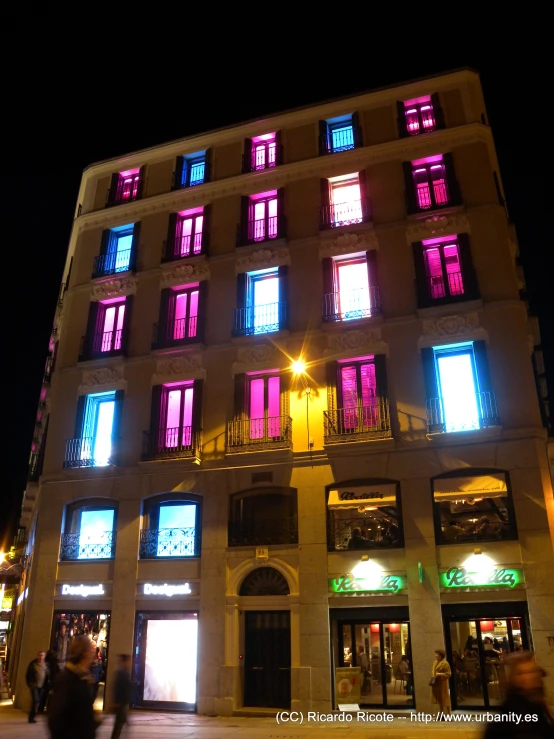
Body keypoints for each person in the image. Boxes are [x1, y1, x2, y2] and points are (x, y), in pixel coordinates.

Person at [484, 651, 553, 738]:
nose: (533, 676)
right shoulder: (517, 710)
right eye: (524, 673)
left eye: (533, 671)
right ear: (514, 678)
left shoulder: (535, 702)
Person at [47, 635, 99, 739]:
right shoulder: (68, 680)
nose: (92, 654)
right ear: (84, 653)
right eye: (91, 650)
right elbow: (56, 719)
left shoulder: (83, 677)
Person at [111, 654, 133, 739]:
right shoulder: (122, 673)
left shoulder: (123, 672)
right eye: (129, 661)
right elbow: (117, 687)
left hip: (122, 703)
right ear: (125, 661)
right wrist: (116, 702)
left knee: (121, 723)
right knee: (118, 724)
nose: (130, 663)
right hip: (120, 703)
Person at [25, 650, 49, 723]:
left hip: (42, 686)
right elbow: (28, 675)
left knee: (38, 701)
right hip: (34, 686)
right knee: (35, 700)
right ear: (38, 656)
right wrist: (30, 684)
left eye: (42, 655)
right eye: (40, 655)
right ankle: (31, 717)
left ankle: (33, 715)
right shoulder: (33, 664)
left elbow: (48, 675)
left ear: (44, 657)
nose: (41, 657)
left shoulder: (46, 665)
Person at [430, 648, 451, 716]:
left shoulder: (445, 663)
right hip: (436, 682)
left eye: (437, 655)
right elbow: (433, 671)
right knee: (439, 699)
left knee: (445, 699)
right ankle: (441, 713)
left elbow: (449, 673)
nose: (436, 656)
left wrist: (440, 674)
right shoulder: (435, 662)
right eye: (435, 655)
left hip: (443, 683)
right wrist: (433, 675)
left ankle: (449, 713)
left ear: (441, 656)